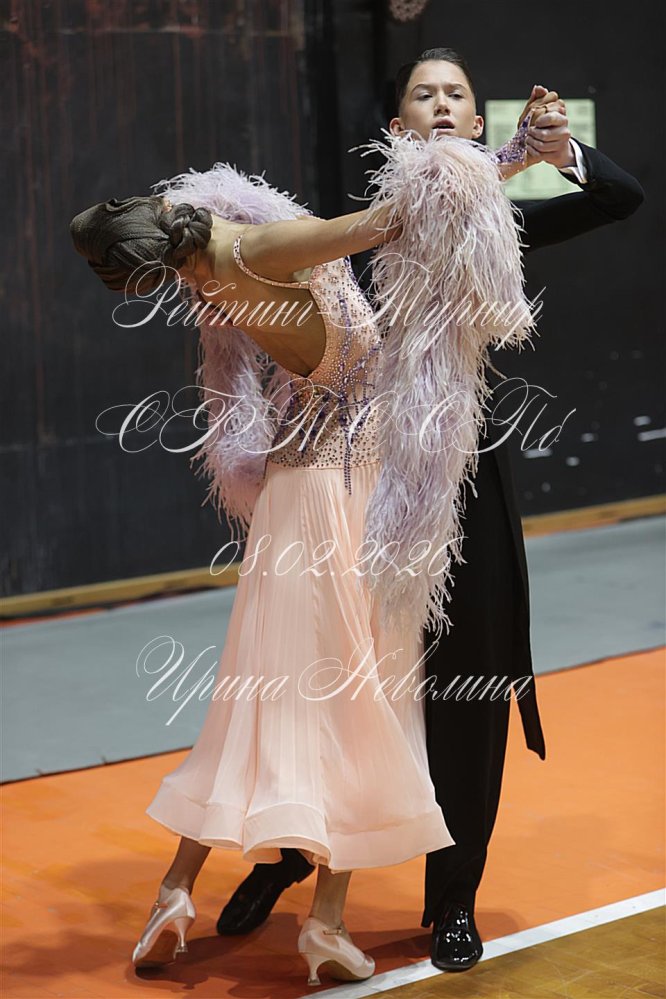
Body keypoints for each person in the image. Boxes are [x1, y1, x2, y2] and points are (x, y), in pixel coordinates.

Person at [69, 75, 547, 983]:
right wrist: (502, 158)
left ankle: (176, 889)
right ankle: (325, 921)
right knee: (365, 699)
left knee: (263, 699)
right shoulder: (259, 245)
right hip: (341, 493)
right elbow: (389, 221)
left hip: (293, 498)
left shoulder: (213, 282)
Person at [214, 48, 645, 974]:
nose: (443, 104)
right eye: (424, 94)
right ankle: (291, 854)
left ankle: (453, 897)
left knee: (467, 689)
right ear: (396, 125)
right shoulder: (354, 235)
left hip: (464, 480)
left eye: (456, 95)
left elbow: (620, 198)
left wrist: (558, 152)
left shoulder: (497, 222)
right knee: (329, 676)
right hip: (351, 476)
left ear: (476, 124)